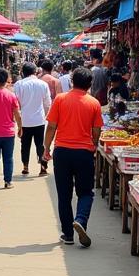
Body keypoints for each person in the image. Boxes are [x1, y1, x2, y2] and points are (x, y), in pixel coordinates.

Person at [42, 66, 103, 247]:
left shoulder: (60, 99)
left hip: (62, 152)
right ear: (89, 83)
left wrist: (46, 148)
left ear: (72, 81)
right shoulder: (93, 103)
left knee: (64, 194)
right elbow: (96, 130)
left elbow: (51, 126)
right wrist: (93, 144)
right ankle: (81, 220)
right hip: (84, 153)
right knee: (85, 192)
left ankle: (68, 234)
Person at [14, 62, 52, 177]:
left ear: (23, 72)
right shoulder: (42, 84)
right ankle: (43, 167)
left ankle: (25, 167)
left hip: (25, 120)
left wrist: (18, 119)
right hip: (39, 120)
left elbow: (16, 104)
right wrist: (44, 115)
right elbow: (47, 103)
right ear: (35, 72)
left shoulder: (19, 84)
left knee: (25, 145)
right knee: (40, 144)